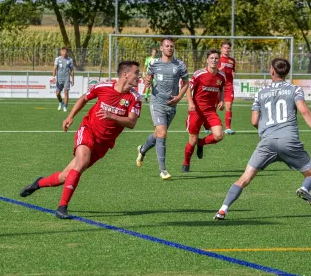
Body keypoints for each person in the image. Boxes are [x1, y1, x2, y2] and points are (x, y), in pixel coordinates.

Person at [213, 58, 311, 220]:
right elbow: (304, 111)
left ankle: (223, 209)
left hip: (267, 142)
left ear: (272, 71)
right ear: (286, 72)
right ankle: (305, 189)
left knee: (245, 178)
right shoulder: (295, 89)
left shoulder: (261, 93)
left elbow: (254, 121)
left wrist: (265, 131)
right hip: (289, 141)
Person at [20, 61, 142, 219]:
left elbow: (131, 122)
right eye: (137, 73)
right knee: (82, 161)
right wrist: (70, 117)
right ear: (125, 74)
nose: (139, 76)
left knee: (65, 176)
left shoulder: (134, 97)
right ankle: (62, 208)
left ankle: (38, 183)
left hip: (103, 144)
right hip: (88, 130)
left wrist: (111, 116)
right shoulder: (103, 86)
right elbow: (84, 98)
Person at [136, 38, 188, 180]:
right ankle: (163, 170)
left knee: (158, 134)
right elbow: (148, 78)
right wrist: (147, 81)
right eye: (167, 46)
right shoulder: (154, 63)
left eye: (172, 46)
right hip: (157, 102)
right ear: (161, 48)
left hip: (172, 104)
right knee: (163, 134)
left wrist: (179, 97)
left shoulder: (180, 65)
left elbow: (186, 83)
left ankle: (142, 150)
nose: (170, 48)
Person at [182, 49, 226, 173]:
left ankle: (201, 143)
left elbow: (221, 89)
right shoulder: (199, 74)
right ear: (207, 60)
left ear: (219, 60)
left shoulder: (221, 76)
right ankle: (186, 163)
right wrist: (190, 103)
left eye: (216, 58)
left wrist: (221, 101)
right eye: (211, 58)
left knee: (219, 136)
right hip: (196, 110)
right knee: (192, 140)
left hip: (211, 111)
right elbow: (188, 89)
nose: (214, 60)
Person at [219, 41, 236, 134]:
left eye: (228, 48)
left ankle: (228, 128)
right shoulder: (217, 59)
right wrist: (219, 70)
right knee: (213, 106)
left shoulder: (232, 61)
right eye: (224, 47)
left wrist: (233, 73)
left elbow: (233, 71)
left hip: (229, 86)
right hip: (218, 86)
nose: (226, 49)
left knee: (228, 106)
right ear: (221, 49)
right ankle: (207, 126)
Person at [52, 47, 74, 112]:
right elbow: (54, 68)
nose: (64, 53)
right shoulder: (57, 59)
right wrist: (53, 77)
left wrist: (72, 80)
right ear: (61, 52)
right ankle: (61, 102)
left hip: (66, 78)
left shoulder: (70, 60)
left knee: (66, 92)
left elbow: (72, 70)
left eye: (66, 52)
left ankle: (65, 106)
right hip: (59, 79)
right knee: (57, 93)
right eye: (63, 52)